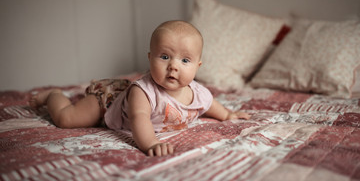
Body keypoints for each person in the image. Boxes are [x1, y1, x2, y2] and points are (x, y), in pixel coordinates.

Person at [29, 20, 251, 157]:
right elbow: (139, 119)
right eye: (164, 56)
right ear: (150, 58)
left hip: (122, 101)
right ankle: (54, 95)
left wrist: (227, 115)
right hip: (108, 102)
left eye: (185, 60)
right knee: (67, 119)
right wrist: (151, 143)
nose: (173, 65)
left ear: (197, 66)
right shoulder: (143, 91)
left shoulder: (198, 92)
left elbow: (209, 104)